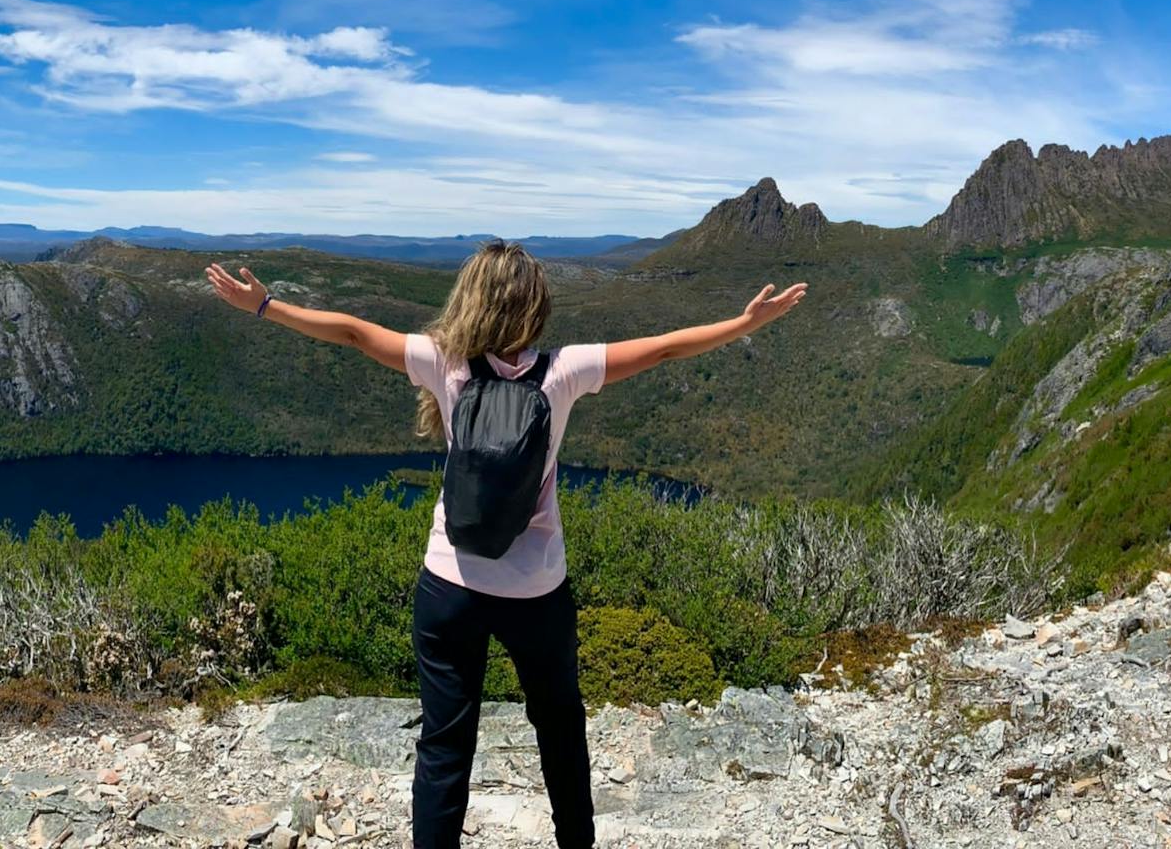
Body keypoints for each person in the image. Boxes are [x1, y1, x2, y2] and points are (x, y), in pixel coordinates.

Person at [205, 241, 807, 849]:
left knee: (445, 744)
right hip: (537, 591)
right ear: (534, 307)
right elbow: (666, 347)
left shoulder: (445, 363)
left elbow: (354, 333)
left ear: (469, 299)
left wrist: (267, 306)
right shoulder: (563, 371)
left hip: (449, 586)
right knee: (560, 728)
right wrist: (743, 324)